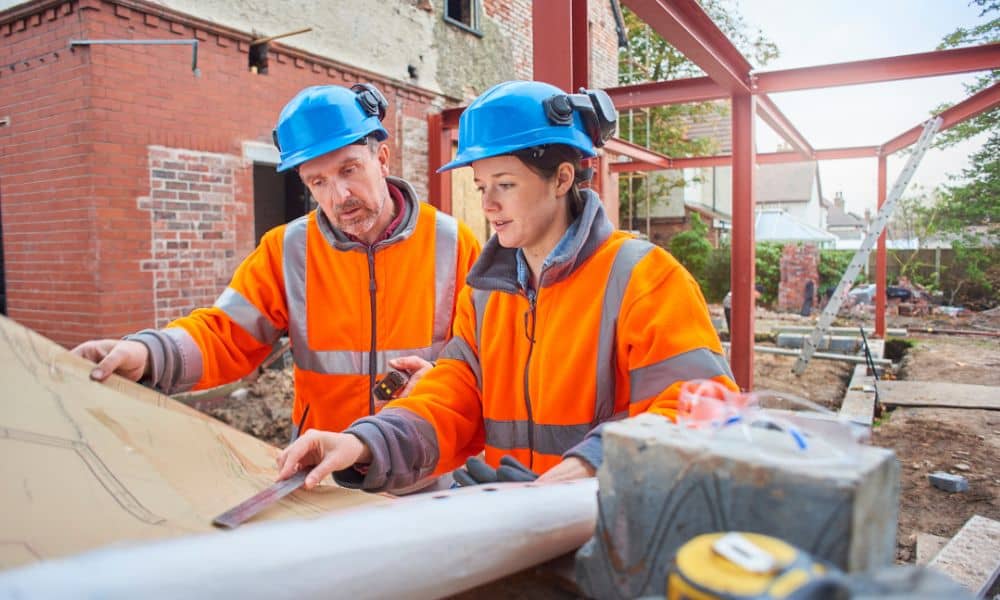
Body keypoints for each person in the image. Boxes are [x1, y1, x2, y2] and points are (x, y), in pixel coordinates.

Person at [276, 80, 737, 491]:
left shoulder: (643, 278)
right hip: (519, 531)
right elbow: (452, 397)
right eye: (481, 187)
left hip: (611, 523)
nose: (489, 204)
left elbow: (704, 405)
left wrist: (595, 463)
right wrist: (364, 442)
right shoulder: (485, 295)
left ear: (562, 178)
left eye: (505, 184)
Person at [73, 83, 481, 440]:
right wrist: (148, 354)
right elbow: (224, 335)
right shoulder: (288, 250)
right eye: (317, 182)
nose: (339, 196)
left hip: (428, 465)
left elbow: (483, 358)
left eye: (349, 170)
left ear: (383, 158)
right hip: (323, 471)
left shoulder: (452, 242)